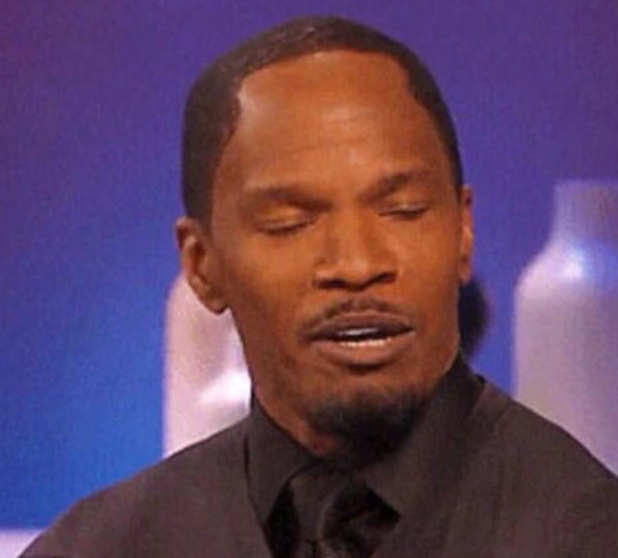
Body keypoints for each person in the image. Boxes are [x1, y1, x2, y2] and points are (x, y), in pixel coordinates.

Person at [22, 16, 618, 558]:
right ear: (201, 265)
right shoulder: (101, 546)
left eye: (404, 210)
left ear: (463, 234)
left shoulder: (586, 531)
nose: (357, 264)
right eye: (290, 223)